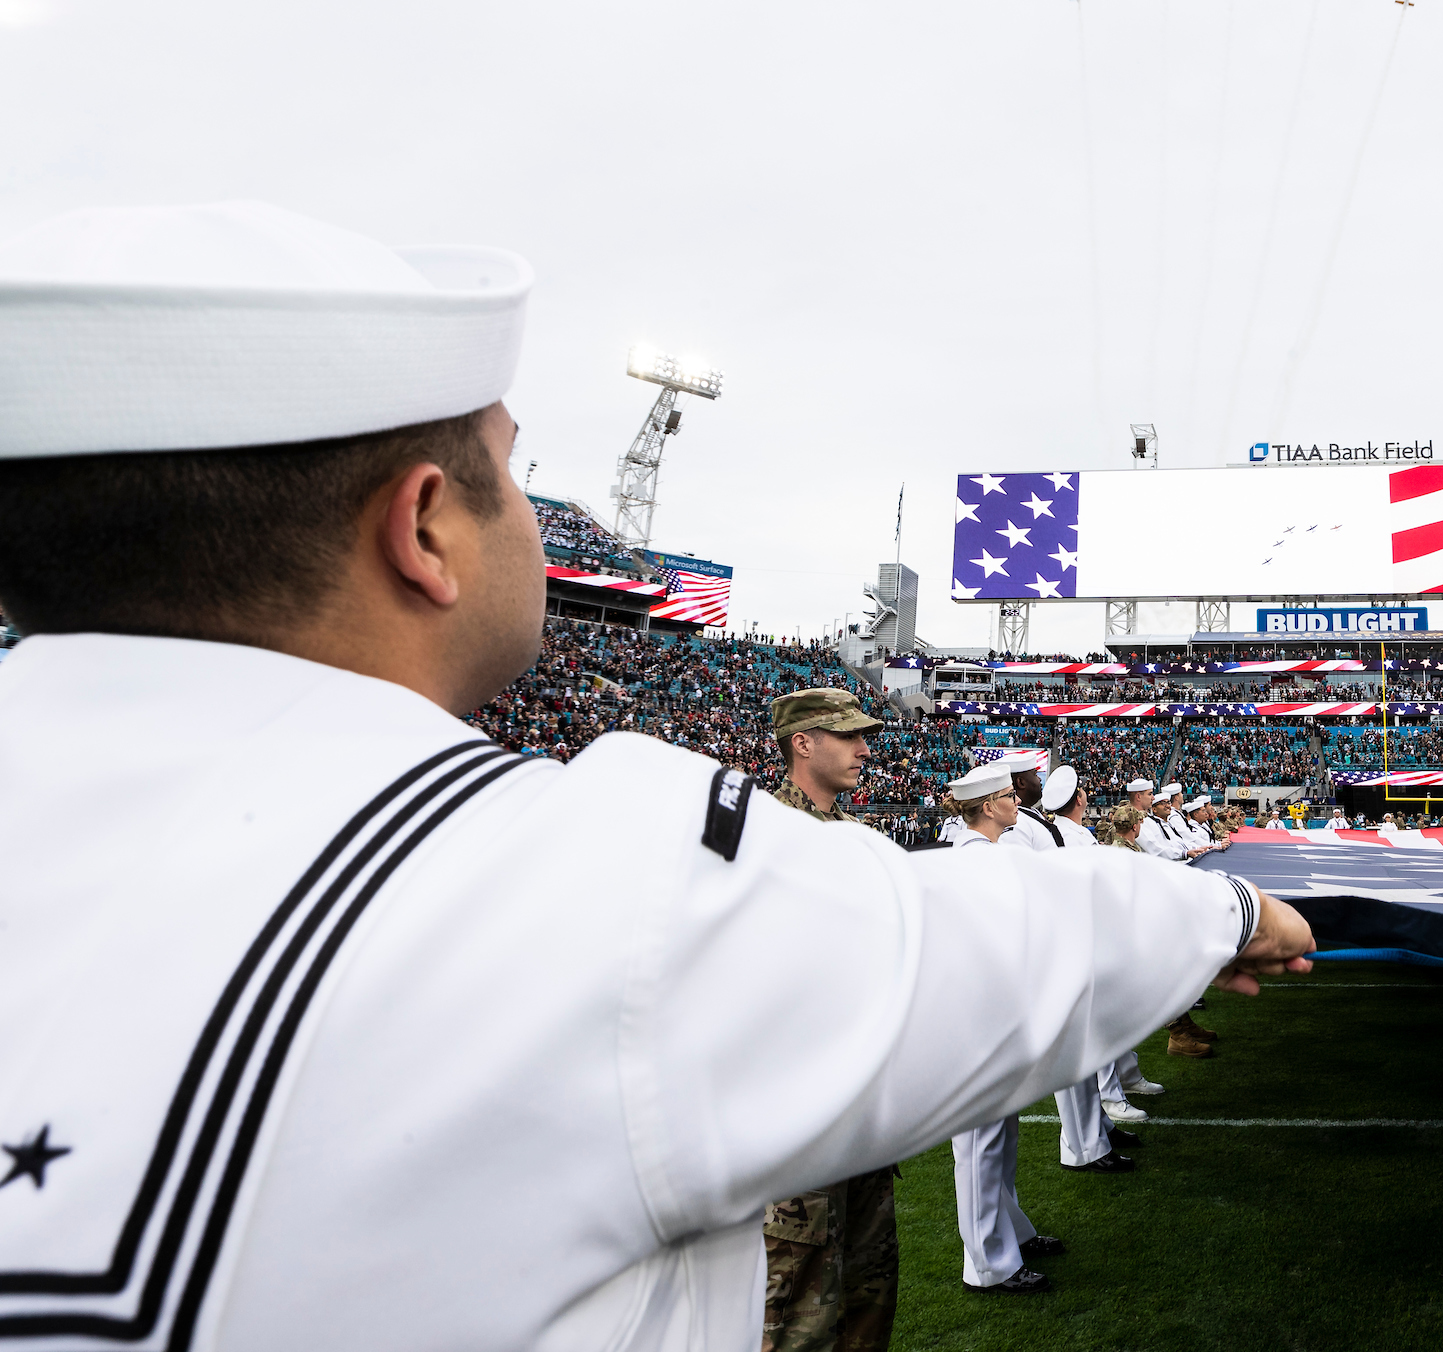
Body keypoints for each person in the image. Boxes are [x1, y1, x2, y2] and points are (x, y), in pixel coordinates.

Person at [0, 200, 1315, 1349]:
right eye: (510, 470)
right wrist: (1230, 911)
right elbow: (982, 951)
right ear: (421, 529)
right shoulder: (577, 883)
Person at [759, 686, 900, 1352]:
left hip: (861, 1107)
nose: (865, 749)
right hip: (795, 1105)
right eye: (848, 736)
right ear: (802, 743)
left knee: (870, 1289)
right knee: (801, 1308)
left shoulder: (854, 838)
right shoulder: (760, 834)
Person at [939, 764, 1070, 1294]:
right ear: (988, 807)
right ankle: (990, 1265)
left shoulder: (985, 855)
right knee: (979, 1144)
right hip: (975, 1018)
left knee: (1002, 1137)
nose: (1017, 801)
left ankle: (1010, 1231)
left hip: (993, 1013)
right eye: (1007, 796)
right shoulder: (977, 861)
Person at [997, 761, 1137, 1174]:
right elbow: (1027, 883)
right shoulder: (1017, 827)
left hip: (1071, 940)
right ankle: (1083, 1148)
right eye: (1035, 777)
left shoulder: (1032, 819)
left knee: (1087, 1049)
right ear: (1019, 783)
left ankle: (1099, 1129)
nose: (1042, 781)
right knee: (1072, 1054)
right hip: (1053, 948)